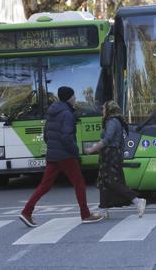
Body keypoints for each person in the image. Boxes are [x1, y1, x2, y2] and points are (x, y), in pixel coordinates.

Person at [20, 86, 103, 227]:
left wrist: (54, 147)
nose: (75, 98)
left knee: (45, 185)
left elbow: (46, 135)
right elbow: (66, 137)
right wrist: (75, 152)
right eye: (73, 96)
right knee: (79, 184)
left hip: (53, 154)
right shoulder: (67, 114)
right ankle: (86, 214)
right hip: (66, 155)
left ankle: (26, 211)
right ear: (69, 98)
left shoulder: (52, 112)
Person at [84, 100, 146, 218]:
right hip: (110, 154)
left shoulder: (112, 121)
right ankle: (103, 209)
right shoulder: (115, 120)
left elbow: (107, 139)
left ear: (109, 109)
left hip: (111, 154)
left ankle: (137, 200)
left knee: (112, 181)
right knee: (104, 181)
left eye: (103, 108)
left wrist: (92, 149)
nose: (102, 111)